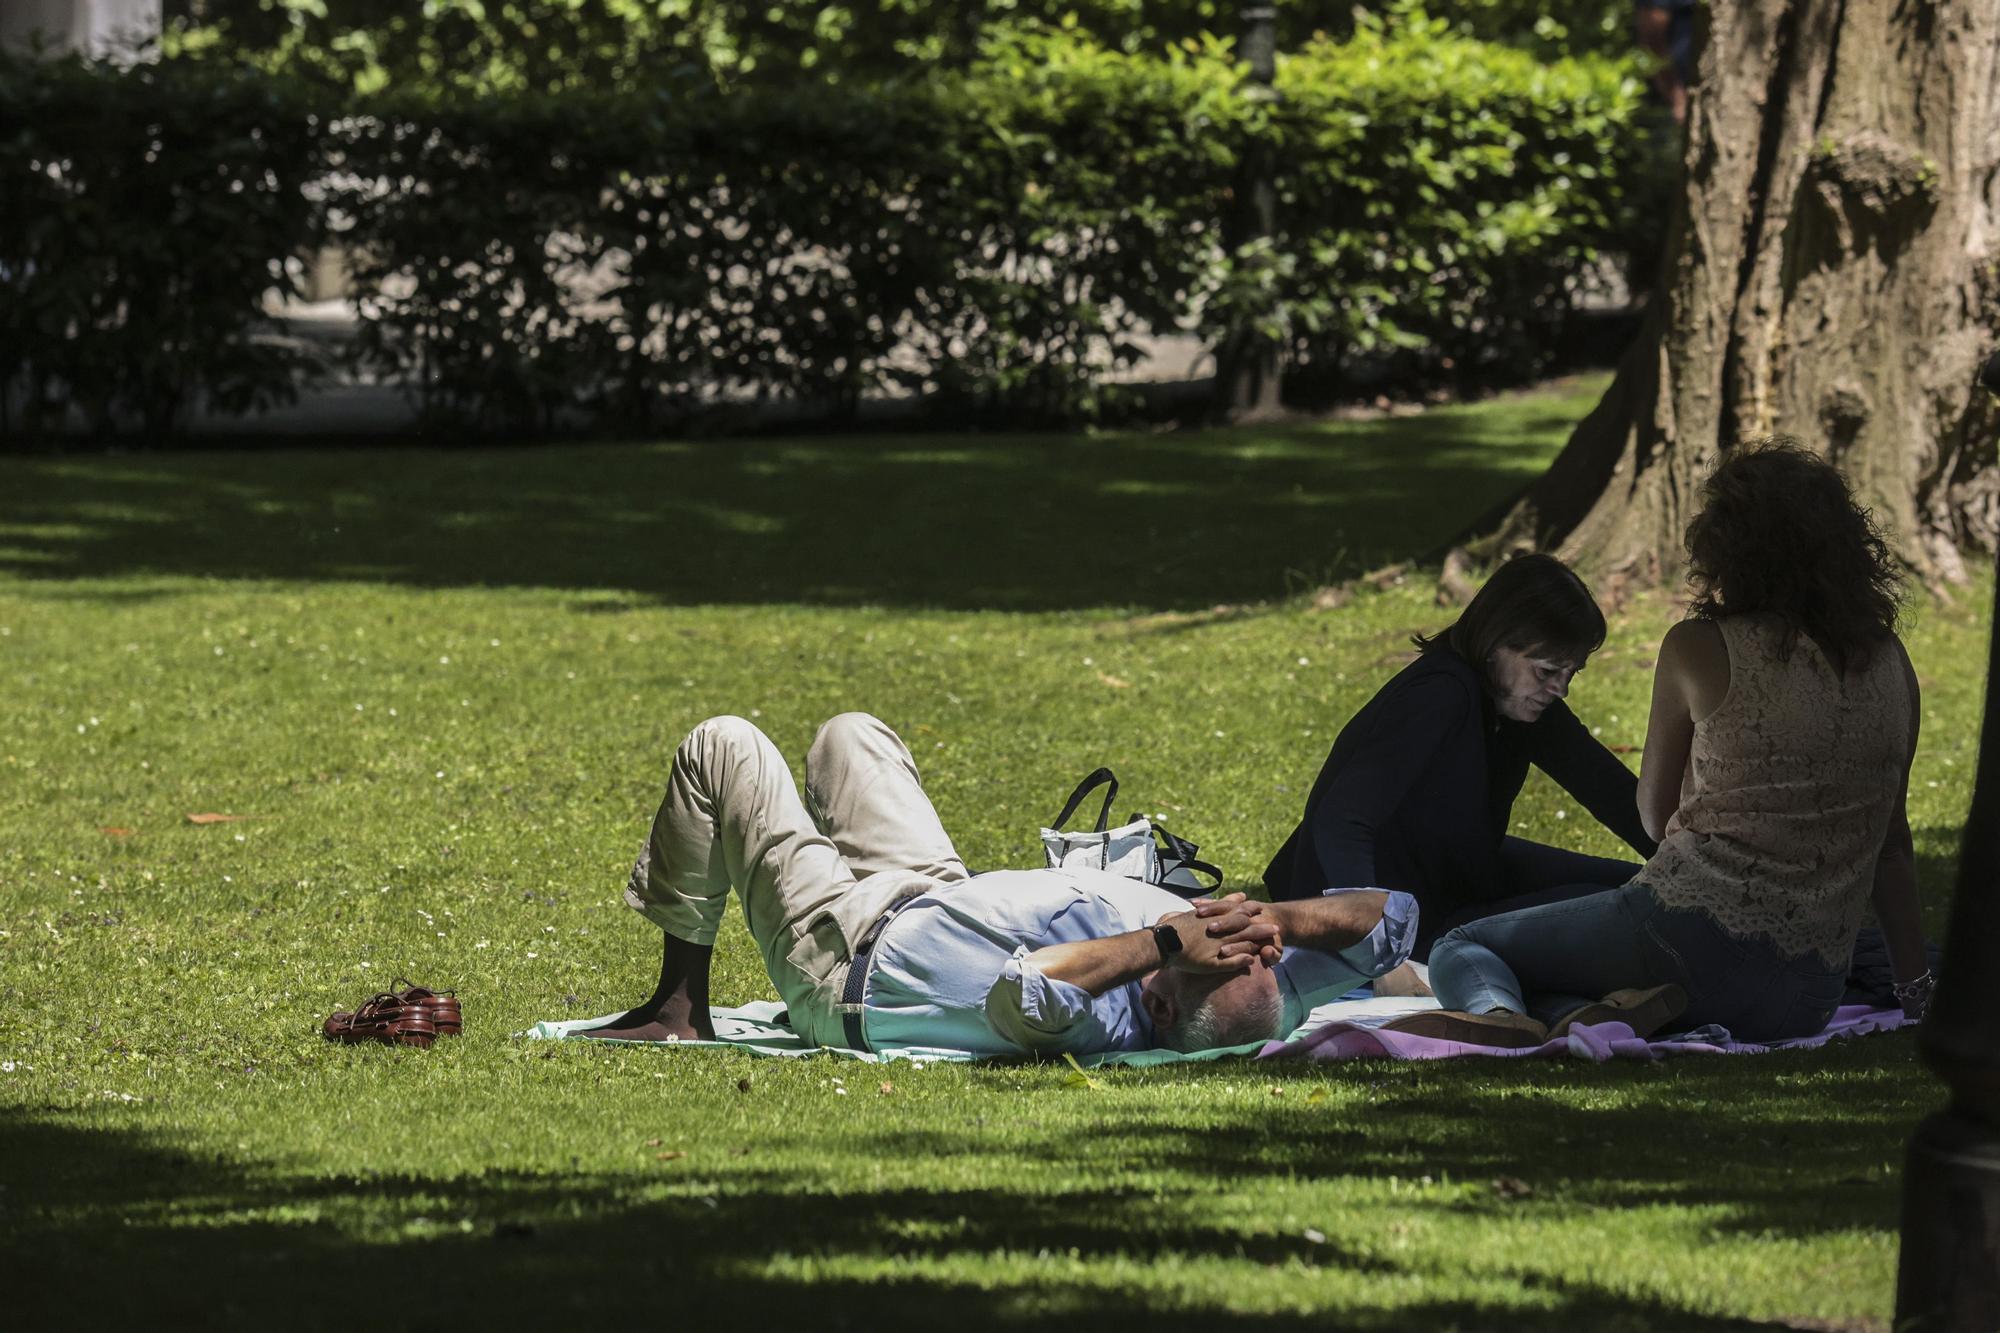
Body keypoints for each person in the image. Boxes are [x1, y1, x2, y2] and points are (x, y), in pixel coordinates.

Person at [1396, 442, 1932, 1047]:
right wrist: (1918, 995)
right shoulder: (1890, 661)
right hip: (1806, 997)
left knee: (1466, 945)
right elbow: (1891, 848)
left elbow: (1654, 818)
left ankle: (1499, 1019)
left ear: (1725, 547)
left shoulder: (1700, 647)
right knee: (1572, 964)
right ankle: (1604, 1012)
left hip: (1686, 934)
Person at [588, 712, 1416, 1057]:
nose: (1225, 934)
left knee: (723, 744)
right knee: (853, 736)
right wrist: (1279, 918)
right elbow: (1395, 919)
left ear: (1163, 1003)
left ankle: (677, 1009)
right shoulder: (1261, 991)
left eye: (1218, 951)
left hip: (842, 955)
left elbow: (1020, 987)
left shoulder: (1095, 1012)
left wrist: (1165, 937)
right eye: (1246, 948)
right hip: (929, 890)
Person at [1264, 553, 1656, 961]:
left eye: (1570, 673)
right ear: (1495, 644)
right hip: (1401, 905)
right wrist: (1374, 941)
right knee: (1619, 907)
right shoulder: (1440, 695)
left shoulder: (1523, 704)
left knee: (1646, 886)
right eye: (1546, 671)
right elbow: (1341, 819)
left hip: (1457, 866)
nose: (1560, 689)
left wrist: (1689, 861)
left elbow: (1606, 787)